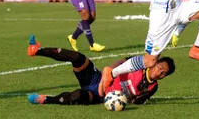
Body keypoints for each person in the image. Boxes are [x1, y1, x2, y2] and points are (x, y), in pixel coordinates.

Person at [26, 35, 175, 105]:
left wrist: (119, 100)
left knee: (78, 96)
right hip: (97, 78)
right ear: (155, 63)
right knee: (78, 58)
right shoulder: (141, 63)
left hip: (100, 96)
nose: (160, 73)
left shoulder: (153, 87)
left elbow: (137, 101)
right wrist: (107, 73)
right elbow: (120, 62)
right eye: (160, 68)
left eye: (164, 73)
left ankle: (45, 100)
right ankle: (37, 50)